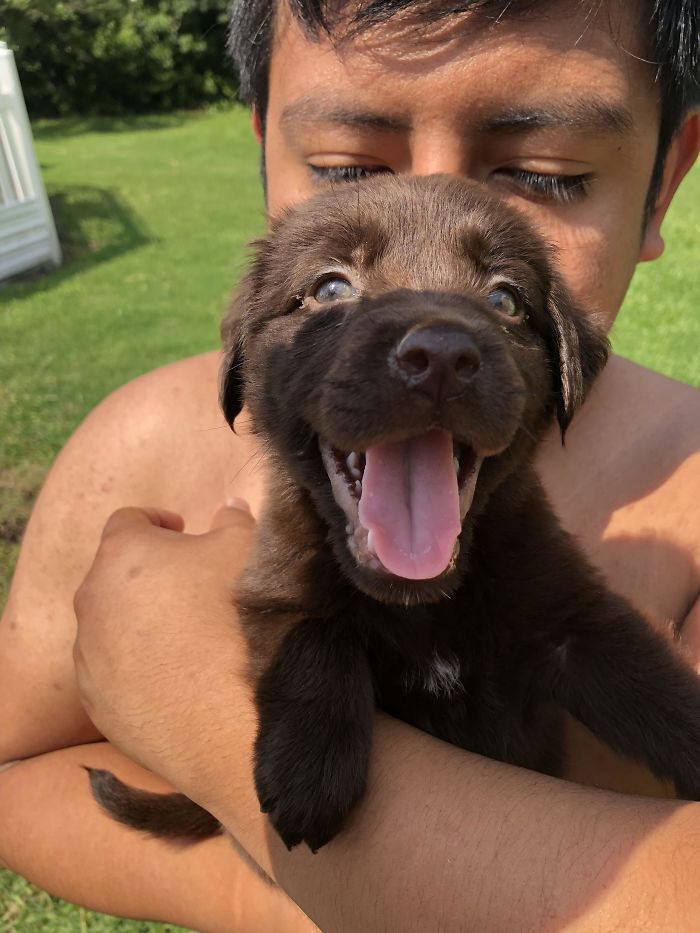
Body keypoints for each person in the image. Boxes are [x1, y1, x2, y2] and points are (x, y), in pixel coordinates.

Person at [1, 0, 699, 929]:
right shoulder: (142, 454)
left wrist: (212, 722)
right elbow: (14, 765)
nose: (431, 334)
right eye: (341, 173)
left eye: (543, 173)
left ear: (663, 183)